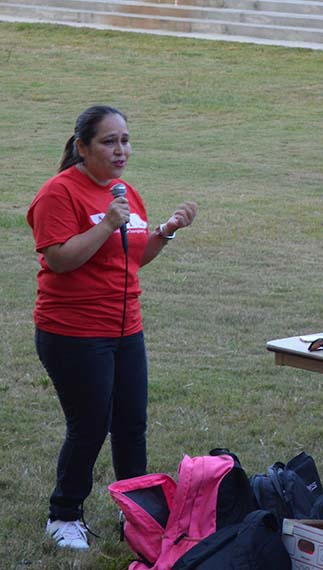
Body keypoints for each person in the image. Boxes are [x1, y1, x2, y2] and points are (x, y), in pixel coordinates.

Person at [27, 105, 198, 549]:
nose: (120, 149)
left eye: (124, 139)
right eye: (109, 141)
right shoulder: (58, 193)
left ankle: (138, 513)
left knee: (130, 424)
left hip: (125, 328)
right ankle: (63, 515)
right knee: (90, 425)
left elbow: (133, 256)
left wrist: (165, 231)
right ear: (81, 147)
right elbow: (60, 259)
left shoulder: (126, 192)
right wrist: (105, 223)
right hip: (73, 332)